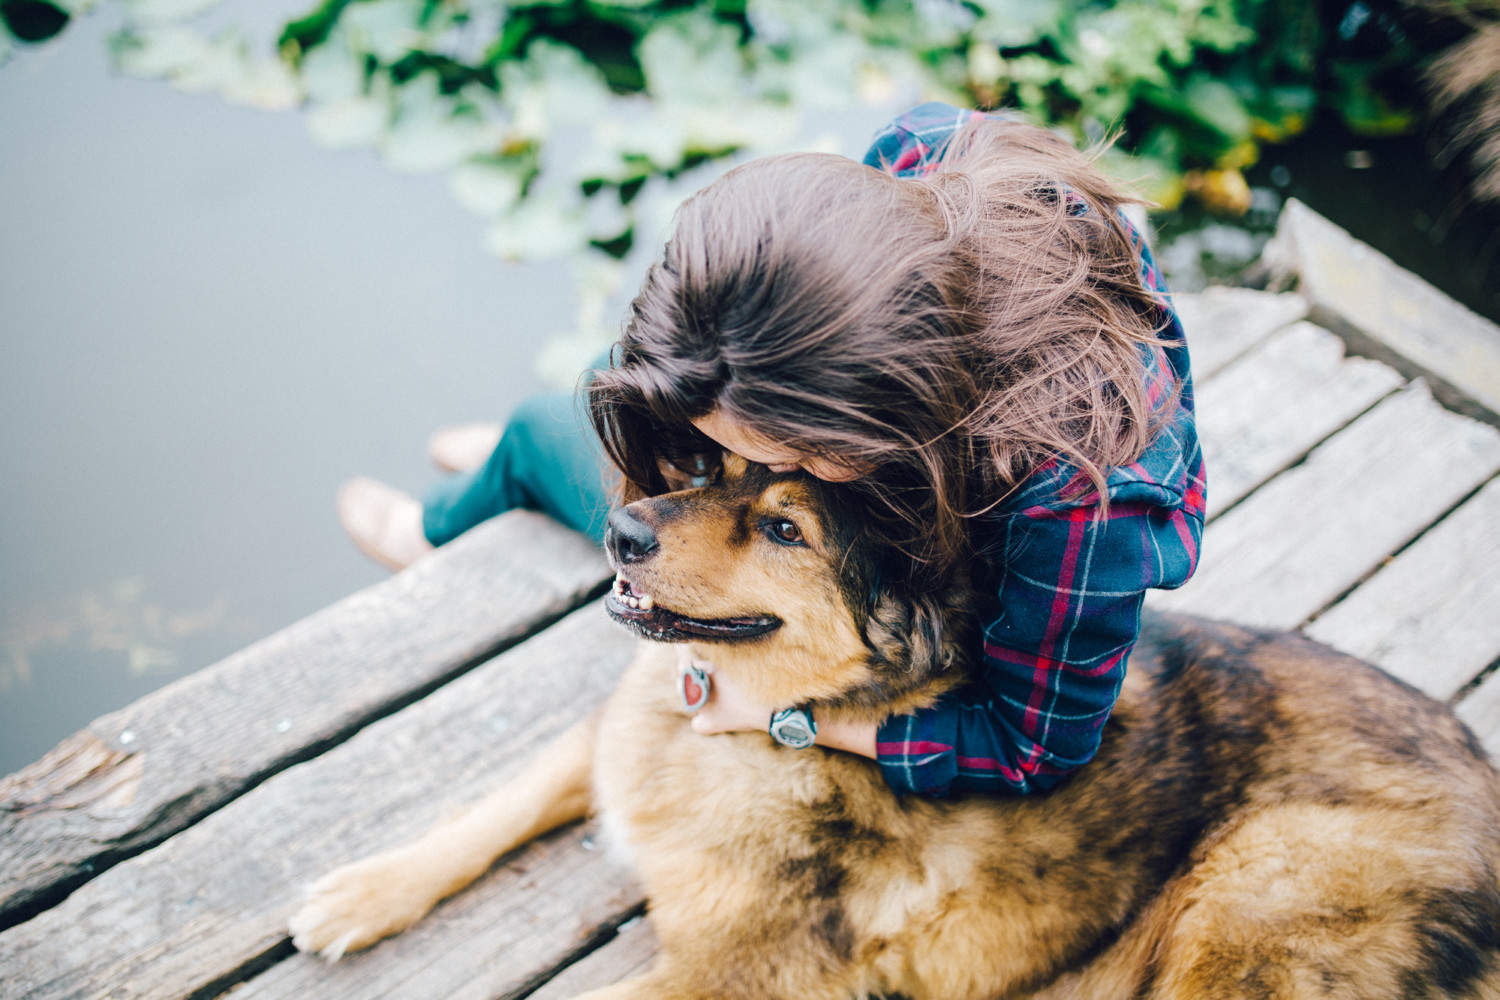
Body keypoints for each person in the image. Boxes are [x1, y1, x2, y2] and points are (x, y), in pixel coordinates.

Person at [339, 102, 1206, 797]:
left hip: (930, 568)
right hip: (871, 462)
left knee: (537, 427)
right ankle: (523, 469)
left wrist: (785, 718)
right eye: (719, 441)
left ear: (870, 422)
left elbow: (1030, 751)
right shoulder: (924, 150)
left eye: (769, 446)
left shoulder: (1085, 514)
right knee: (601, 397)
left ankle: (439, 525)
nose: (736, 454)